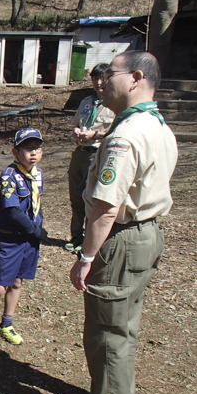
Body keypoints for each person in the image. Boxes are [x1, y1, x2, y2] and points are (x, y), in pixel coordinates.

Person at [70, 51, 178, 394]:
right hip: (146, 236)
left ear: (134, 78)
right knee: (124, 324)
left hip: (123, 240)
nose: (102, 81)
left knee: (107, 329)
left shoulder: (126, 135)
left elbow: (105, 207)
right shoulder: (156, 125)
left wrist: (85, 256)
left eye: (110, 73)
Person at [0, 128, 48, 350]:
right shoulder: (9, 176)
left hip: (29, 240)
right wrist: (35, 230)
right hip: (11, 239)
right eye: (27, 148)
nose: (33, 153)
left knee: (18, 282)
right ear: (15, 151)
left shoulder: (38, 173)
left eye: (37, 148)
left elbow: (36, 204)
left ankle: (7, 324)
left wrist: (38, 227)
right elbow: (12, 211)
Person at [66, 64, 115, 253]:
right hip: (80, 152)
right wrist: (77, 131)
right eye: (95, 78)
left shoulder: (113, 102)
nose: (99, 83)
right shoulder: (86, 101)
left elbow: (116, 130)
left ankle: (90, 239)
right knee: (76, 197)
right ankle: (76, 235)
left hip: (97, 153)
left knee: (92, 198)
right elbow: (77, 123)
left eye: (103, 78)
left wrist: (95, 135)